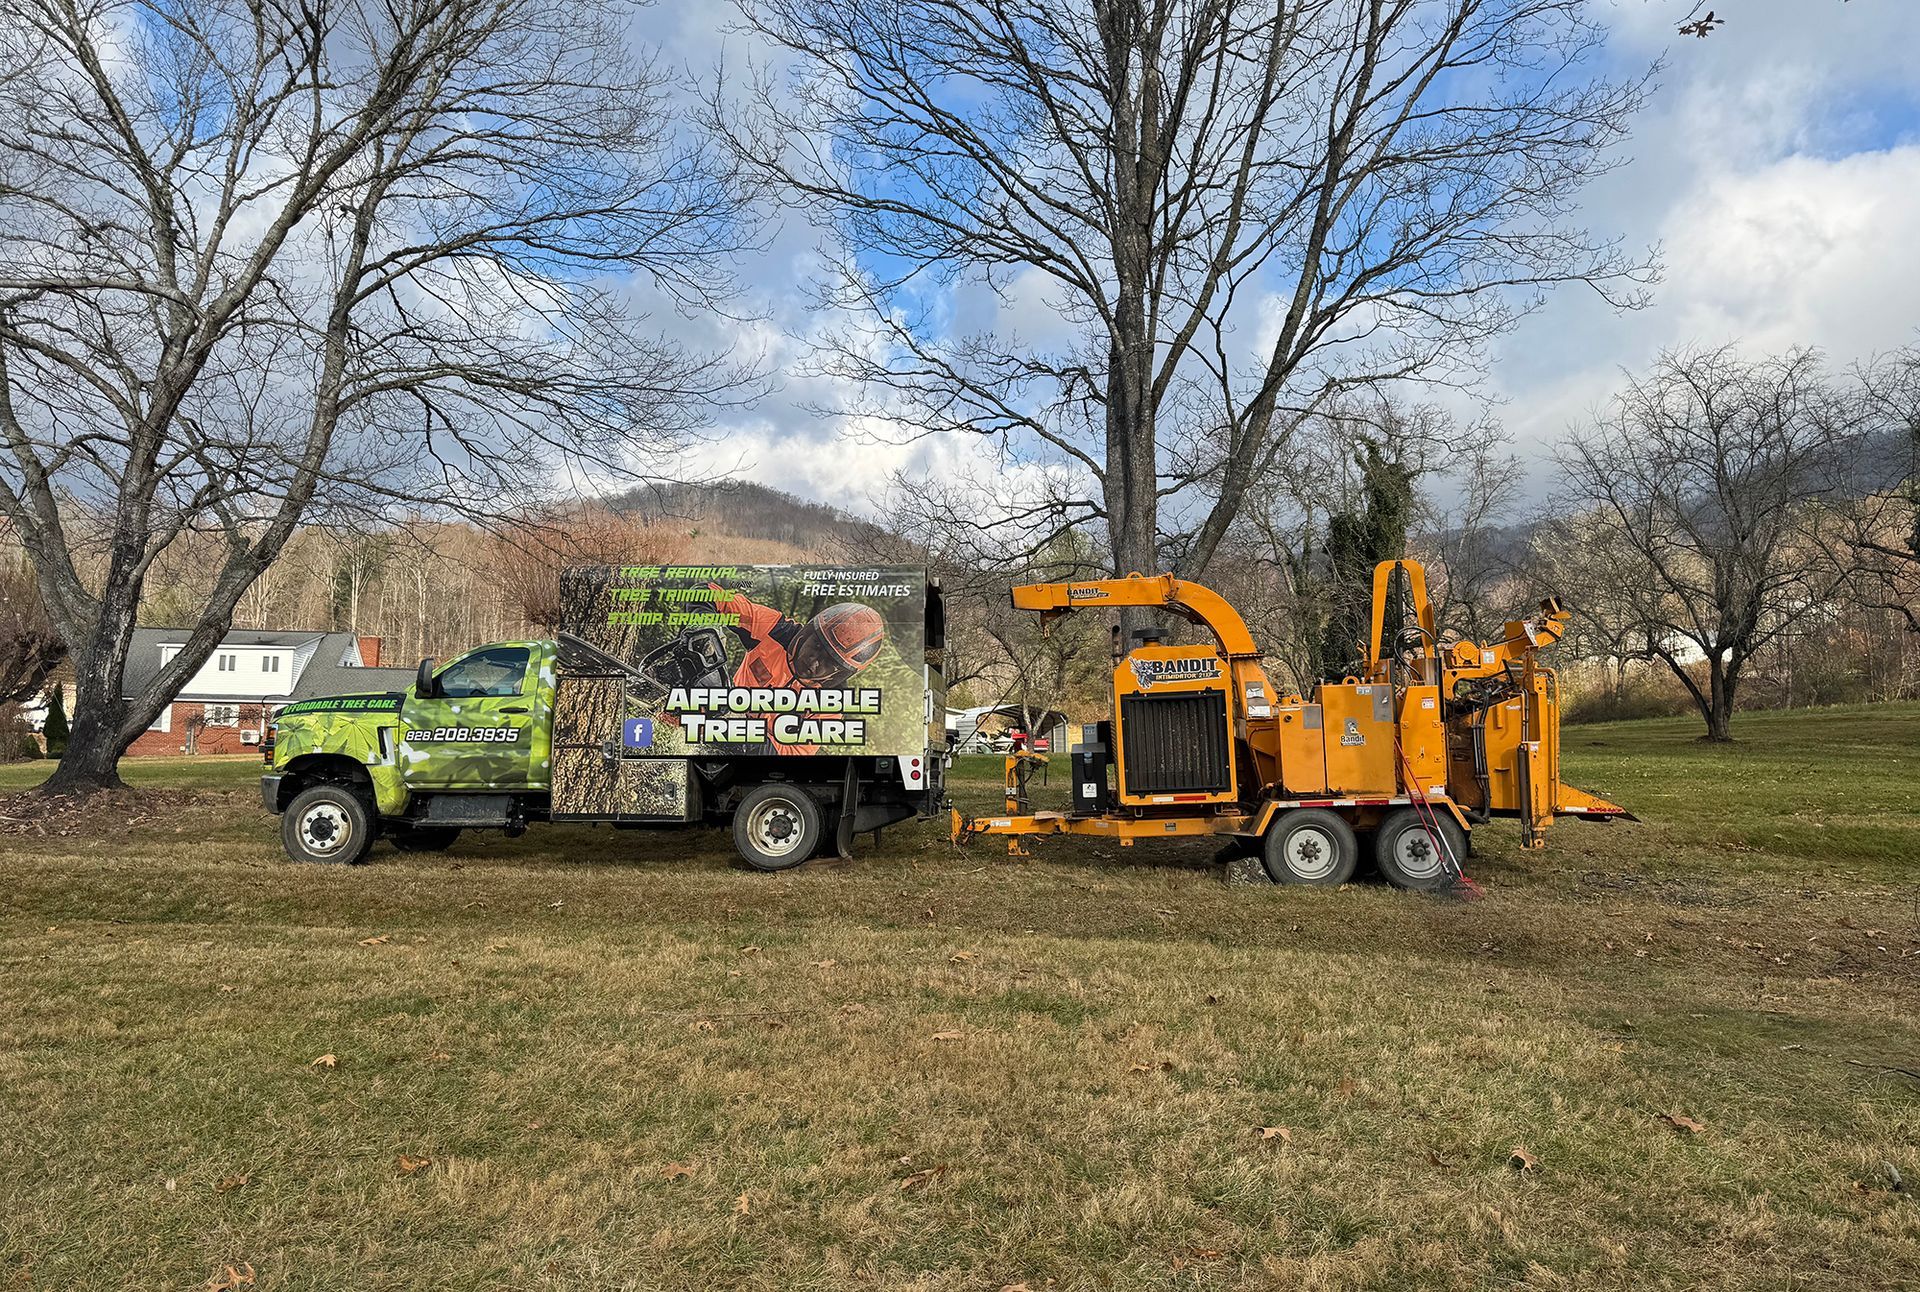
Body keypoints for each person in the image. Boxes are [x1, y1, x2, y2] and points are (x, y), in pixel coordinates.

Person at [707, 585, 888, 753]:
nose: (814, 661)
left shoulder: (831, 704)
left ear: (839, 672)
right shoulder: (776, 630)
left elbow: (792, 754)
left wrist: (746, 734)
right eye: (817, 646)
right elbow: (710, 594)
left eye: (829, 662)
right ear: (809, 633)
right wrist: (701, 626)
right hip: (721, 709)